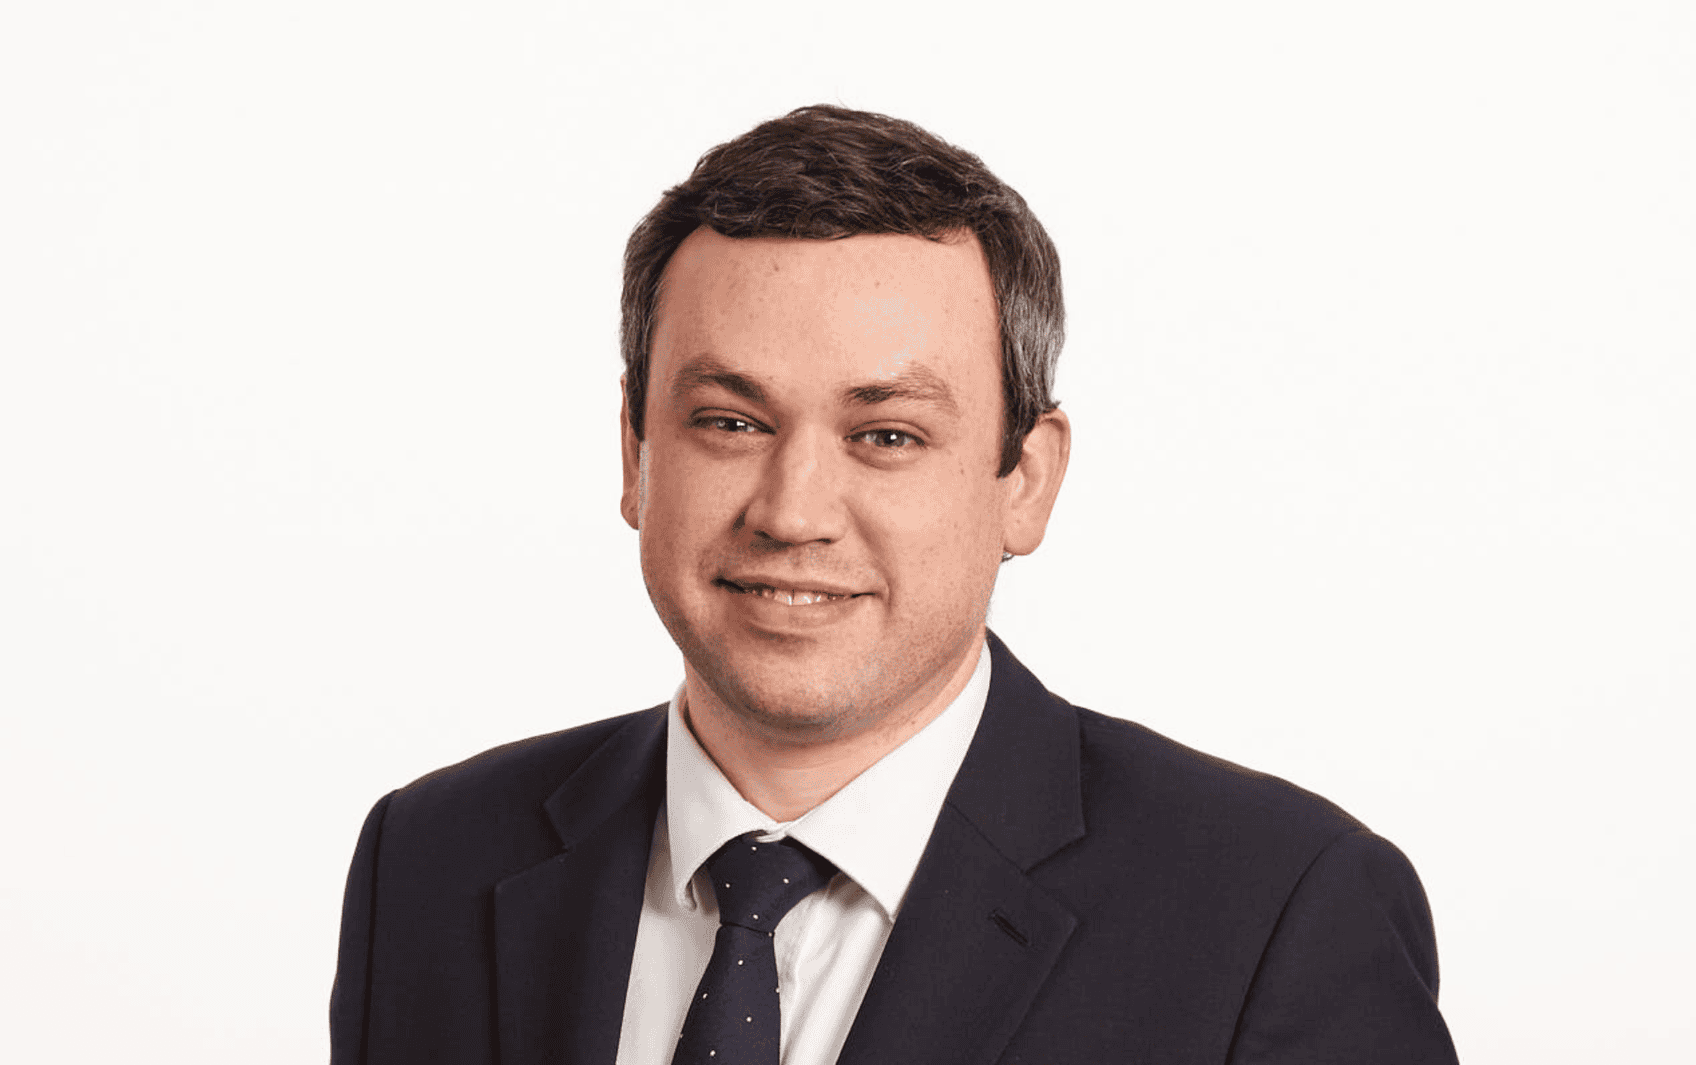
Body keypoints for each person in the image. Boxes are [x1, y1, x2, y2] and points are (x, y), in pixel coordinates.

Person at [330, 104, 1459, 1065]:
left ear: (1026, 480)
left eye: (886, 436)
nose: (793, 512)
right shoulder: (429, 860)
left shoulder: (1277, 914)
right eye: (730, 422)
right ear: (635, 453)